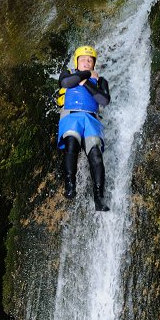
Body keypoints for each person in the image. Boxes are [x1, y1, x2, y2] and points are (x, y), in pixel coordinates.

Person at [57, 45, 111, 211]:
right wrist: (86, 75)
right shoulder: (68, 73)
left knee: (95, 155)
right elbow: (66, 82)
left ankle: (99, 198)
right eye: (83, 59)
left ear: (94, 63)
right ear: (76, 61)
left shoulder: (101, 81)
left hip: (91, 119)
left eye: (90, 60)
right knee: (71, 143)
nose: (87, 62)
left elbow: (103, 100)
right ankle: (70, 186)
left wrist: (86, 81)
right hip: (71, 116)